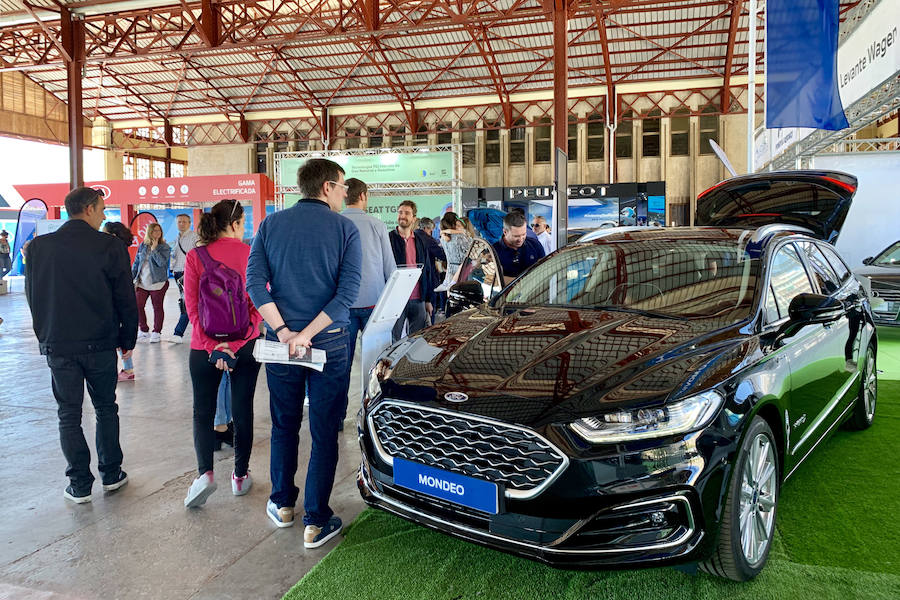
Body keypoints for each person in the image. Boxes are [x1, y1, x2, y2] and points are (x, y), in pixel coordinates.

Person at [246, 158, 361, 548]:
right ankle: (316, 520)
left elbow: (255, 284)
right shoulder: (345, 229)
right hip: (327, 343)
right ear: (327, 187)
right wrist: (307, 335)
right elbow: (346, 295)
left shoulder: (271, 225)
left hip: (281, 345)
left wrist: (285, 332)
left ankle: (282, 504)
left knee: (284, 424)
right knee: (325, 430)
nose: (346, 192)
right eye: (343, 185)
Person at [25, 187, 137, 503]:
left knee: (68, 414)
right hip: (100, 343)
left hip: (58, 344)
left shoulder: (38, 248)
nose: (105, 215)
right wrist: (127, 338)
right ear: (88, 208)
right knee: (105, 407)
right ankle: (112, 474)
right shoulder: (110, 247)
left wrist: (45, 337)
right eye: (102, 208)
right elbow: (125, 298)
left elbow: (33, 298)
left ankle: (80, 484)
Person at [183, 199, 263, 508]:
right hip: (246, 346)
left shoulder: (195, 256)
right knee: (242, 410)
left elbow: (192, 309)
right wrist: (238, 343)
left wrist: (211, 346)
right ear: (234, 225)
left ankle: (205, 474)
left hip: (202, 348)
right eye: (243, 224)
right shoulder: (251, 254)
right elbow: (258, 305)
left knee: (202, 412)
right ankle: (240, 477)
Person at [340, 178, 395, 426]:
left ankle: (338, 416)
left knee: (341, 365)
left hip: (343, 306)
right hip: (375, 305)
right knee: (377, 365)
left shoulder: (337, 223)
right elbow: (389, 268)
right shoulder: (377, 224)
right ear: (363, 195)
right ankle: (376, 415)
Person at [389, 200, 438, 341]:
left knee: (417, 341)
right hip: (396, 299)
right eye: (400, 212)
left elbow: (427, 271)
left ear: (414, 218)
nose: (402, 216)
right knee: (394, 341)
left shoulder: (420, 241)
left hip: (418, 298)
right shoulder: (389, 239)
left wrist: (428, 300)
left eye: (407, 213)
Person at [103, 222, 138, 382]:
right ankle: (127, 367)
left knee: (120, 335)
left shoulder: (113, 251)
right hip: (118, 301)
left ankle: (128, 368)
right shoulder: (119, 250)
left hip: (115, 302)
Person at [131, 223, 171, 343]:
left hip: (157, 283)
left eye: (159, 231)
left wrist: (154, 250)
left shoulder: (164, 247)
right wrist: (131, 277)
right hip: (142, 282)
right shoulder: (143, 245)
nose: (157, 233)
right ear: (149, 232)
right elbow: (137, 263)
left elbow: (162, 263)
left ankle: (157, 332)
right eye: (154, 231)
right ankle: (143, 330)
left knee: (157, 307)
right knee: (138, 306)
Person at [493, 211, 545, 285]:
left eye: (523, 234)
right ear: (505, 232)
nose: (520, 239)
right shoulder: (493, 251)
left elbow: (544, 271)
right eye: (516, 236)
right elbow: (492, 280)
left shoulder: (535, 244)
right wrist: (525, 282)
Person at [169, 214, 199, 343]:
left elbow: (199, 255)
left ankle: (178, 333)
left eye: (184, 222)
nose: (181, 224)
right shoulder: (176, 239)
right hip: (177, 273)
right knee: (186, 302)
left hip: (188, 274)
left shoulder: (194, 237)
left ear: (189, 223)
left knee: (186, 302)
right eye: (179, 222)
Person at [436, 212, 473, 292]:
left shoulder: (443, 237)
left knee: (451, 295)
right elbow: (472, 250)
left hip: (450, 270)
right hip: (463, 271)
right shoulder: (460, 237)